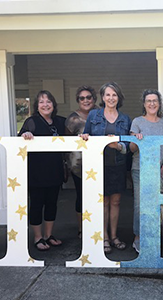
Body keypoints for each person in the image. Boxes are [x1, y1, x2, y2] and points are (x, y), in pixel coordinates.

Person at [82, 82, 131, 254]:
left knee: (116, 202)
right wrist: (84, 136)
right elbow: (85, 135)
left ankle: (114, 236)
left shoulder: (125, 118)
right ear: (103, 97)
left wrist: (117, 146)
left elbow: (127, 145)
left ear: (119, 97)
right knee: (102, 203)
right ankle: (103, 238)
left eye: (114, 95)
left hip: (117, 165)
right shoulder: (94, 115)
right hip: (97, 165)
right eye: (108, 95)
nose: (111, 98)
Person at [19, 90, 66, 251]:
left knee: (52, 204)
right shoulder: (31, 122)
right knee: (37, 204)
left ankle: (48, 235)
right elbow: (20, 139)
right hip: (36, 173)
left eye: (48, 101)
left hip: (55, 171)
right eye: (41, 102)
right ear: (36, 106)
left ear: (53, 105)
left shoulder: (60, 122)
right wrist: (25, 134)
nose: (45, 105)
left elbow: (73, 135)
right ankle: (38, 238)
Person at [129, 89, 163, 253]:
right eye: (149, 101)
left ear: (159, 104)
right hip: (139, 169)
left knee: (157, 204)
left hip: (159, 170)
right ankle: (138, 238)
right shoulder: (137, 122)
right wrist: (136, 139)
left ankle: (154, 237)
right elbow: (132, 149)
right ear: (144, 104)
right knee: (140, 205)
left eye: (155, 101)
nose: (152, 103)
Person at [65, 85, 98, 238]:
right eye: (82, 98)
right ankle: (81, 229)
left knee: (99, 198)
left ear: (94, 99)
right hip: (79, 166)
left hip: (99, 164)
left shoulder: (101, 114)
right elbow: (67, 143)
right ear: (78, 100)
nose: (86, 100)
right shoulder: (72, 119)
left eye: (89, 97)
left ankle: (97, 228)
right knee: (82, 197)